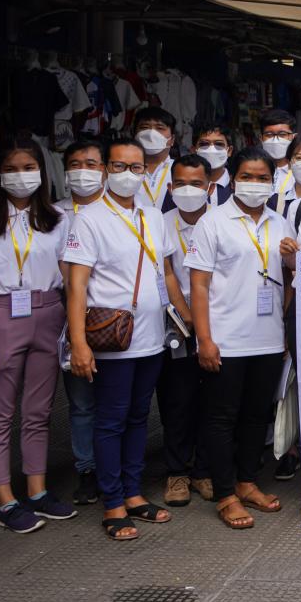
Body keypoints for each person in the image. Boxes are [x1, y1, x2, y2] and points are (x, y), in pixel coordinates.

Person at [64, 138, 192, 541]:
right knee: (110, 421)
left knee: (139, 417)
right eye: (119, 166)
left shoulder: (154, 216)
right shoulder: (88, 219)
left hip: (152, 338)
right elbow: (76, 286)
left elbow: (168, 273)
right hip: (112, 340)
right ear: (106, 171)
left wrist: (186, 320)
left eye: (137, 168)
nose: (128, 175)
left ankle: (134, 494)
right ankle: (113, 502)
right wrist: (80, 343)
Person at [184, 147, 291, 530]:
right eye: (248, 175)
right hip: (226, 339)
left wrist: (293, 262)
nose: (255, 183)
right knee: (220, 417)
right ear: (233, 177)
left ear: (272, 181)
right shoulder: (213, 223)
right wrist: (204, 339)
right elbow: (198, 285)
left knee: (255, 416)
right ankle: (226, 493)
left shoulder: (280, 223)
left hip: (267, 339)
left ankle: (247, 482)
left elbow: (290, 278)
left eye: (263, 177)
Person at [0, 137, 74, 533]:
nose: (21, 176)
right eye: (13, 169)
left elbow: (71, 277)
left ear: (42, 172)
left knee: (39, 412)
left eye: (29, 168)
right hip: (2, 314)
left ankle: (36, 490)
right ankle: (4, 499)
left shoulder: (57, 218)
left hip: (49, 311)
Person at [158, 154, 216, 508]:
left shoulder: (223, 221)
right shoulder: (159, 223)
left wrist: (205, 320)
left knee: (212, 400)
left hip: (217, 322)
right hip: (176, 324)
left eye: (196, 184)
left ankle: (204, 471)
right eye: (181, 184)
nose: (188, 190)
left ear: (209, 187)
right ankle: (177, 472)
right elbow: (166, 275)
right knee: (176, 400)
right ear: (170, 187)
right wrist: (188, 316)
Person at [56, 140, 106, 503]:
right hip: (69, 318)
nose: (83, 170)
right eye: (75, 164)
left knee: (119, 400)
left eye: (90, 163)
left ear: (105, 169)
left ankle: (116, 467)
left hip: (117, 320)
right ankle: (87, 468)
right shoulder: (53, 215)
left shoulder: (121, 211)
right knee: (82, 401)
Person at [133, 106, 177, 209]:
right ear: (134, 134)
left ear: (172, 140)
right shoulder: (121, 169)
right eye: (144, 127)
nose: (151, 133)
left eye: (160, 128)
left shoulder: (182, 169)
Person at [258, 109, 297, 199]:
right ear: (261, 138)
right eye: (269, 134)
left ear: (294, 137)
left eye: (282, 134)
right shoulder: (253, 170)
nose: (276, 140)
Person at [192, 123, 233, 189]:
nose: (212, 149)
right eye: (204, 144)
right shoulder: (183, 187)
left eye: (219, 144)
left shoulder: (237, 187)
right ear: (193, 150)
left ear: (229, 151)